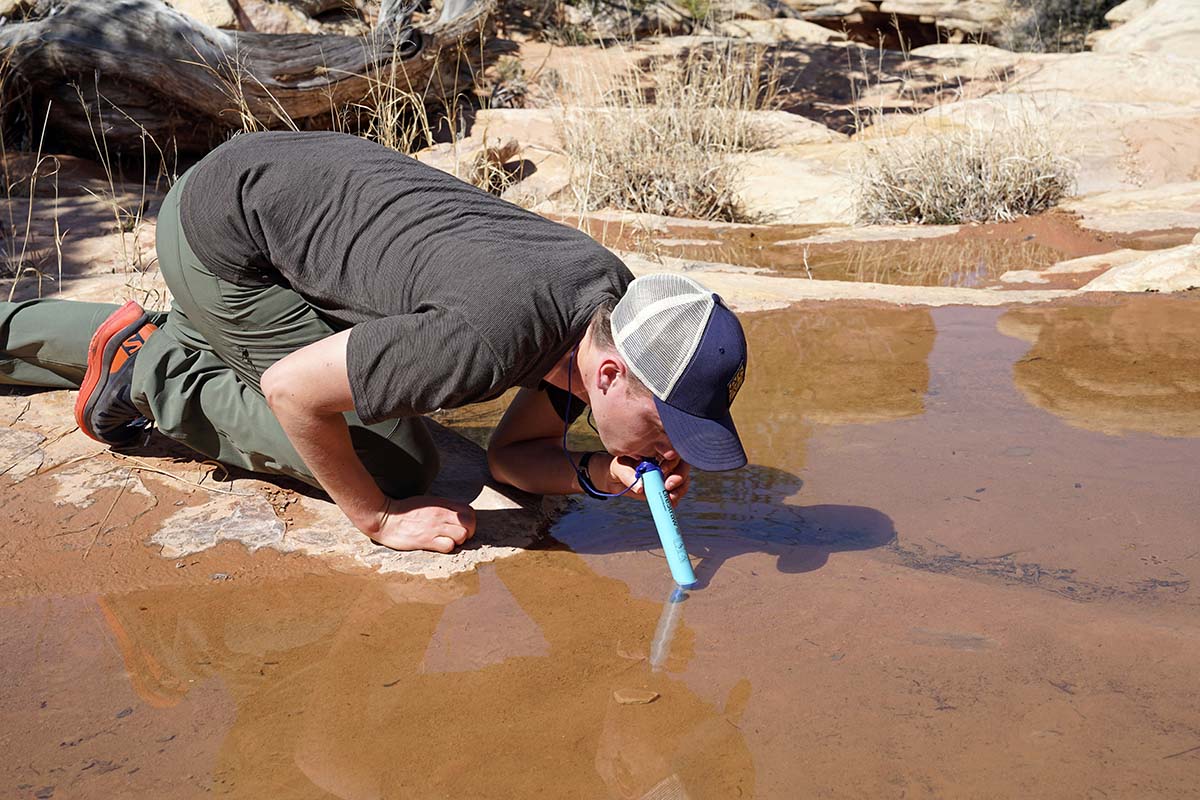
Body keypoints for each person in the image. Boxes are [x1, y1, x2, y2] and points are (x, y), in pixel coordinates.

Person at [0, 131, 748, 553]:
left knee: (392, 422)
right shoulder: (488, 340)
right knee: (393, 458)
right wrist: (379, 521)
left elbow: (509, 458)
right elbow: (294, 392)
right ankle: (154, 367)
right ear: (612, 374)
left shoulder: (608, 304)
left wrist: (600, 472)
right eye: (667, 427)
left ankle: (26, 335)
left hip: (280, 201)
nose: (671, 449)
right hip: (225, 240)